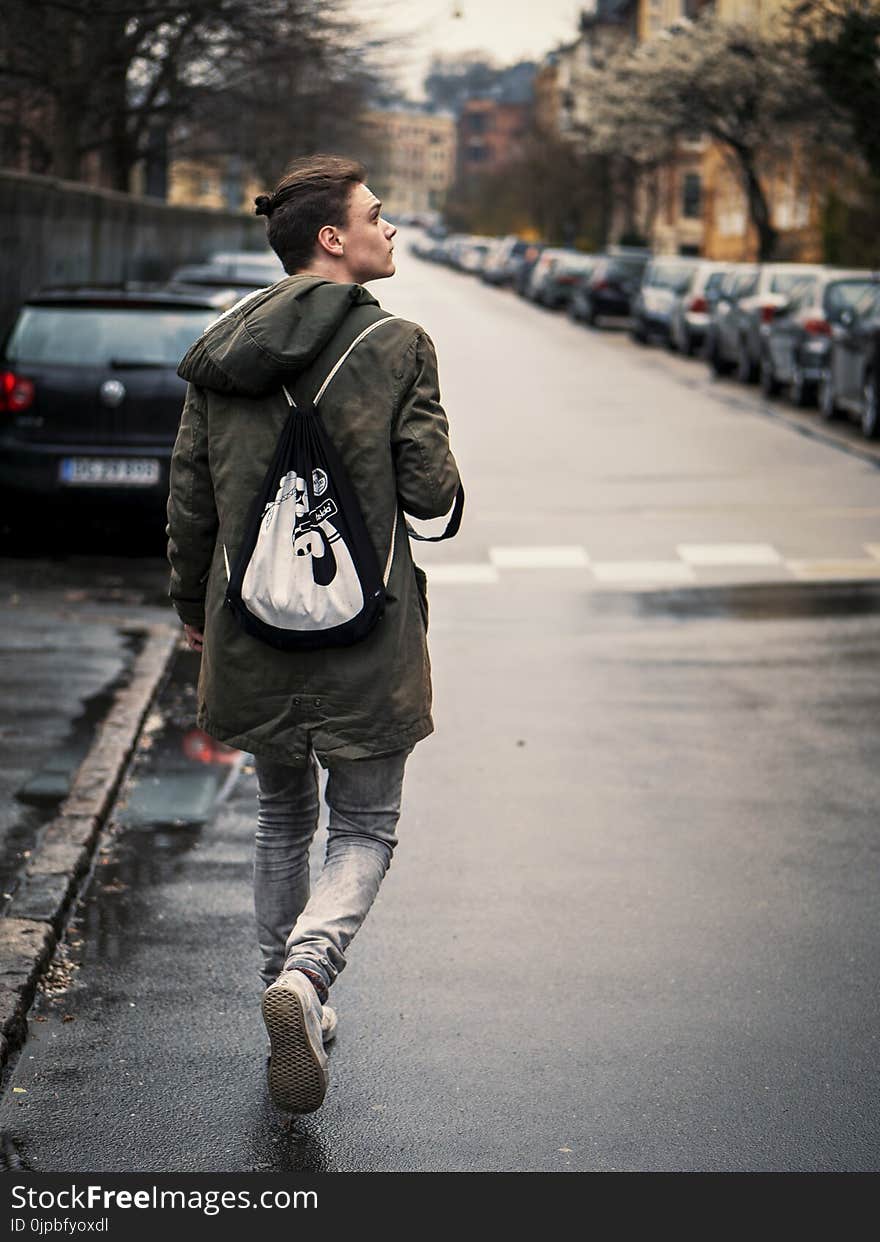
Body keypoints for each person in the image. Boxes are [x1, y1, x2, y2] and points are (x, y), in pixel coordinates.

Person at [166, 155, 462, 1114]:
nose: (390, 228)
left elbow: (189, 507)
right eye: (377, 216)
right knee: (366, 824)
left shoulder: (219, 352)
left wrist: (190, 610)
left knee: (282, 817)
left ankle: (285, 991)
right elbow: (428, 491)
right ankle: (308, 975)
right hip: (365, 633)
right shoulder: (398, 346)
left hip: (250, 624)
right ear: (333, 238)